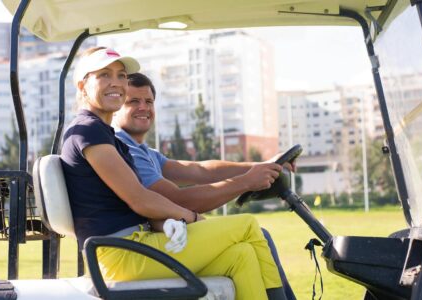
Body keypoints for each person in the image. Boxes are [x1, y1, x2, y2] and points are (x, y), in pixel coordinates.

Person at [61, 46, 286, 299]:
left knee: (241, 256)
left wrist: (170, 221)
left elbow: (194, 171)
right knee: (247, 225)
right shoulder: (87, 132)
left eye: (121, 75)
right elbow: (140, 199)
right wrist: (191, 218)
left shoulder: (111, 138)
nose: (116, 82)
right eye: (104, 75)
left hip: (136, 245)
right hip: (121, 254)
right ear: (82, 86)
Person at [114, 72, 295, 299]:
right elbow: (177, 200)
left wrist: (262, 165)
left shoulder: (146, 152)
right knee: (255, 232)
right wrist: (246, 182)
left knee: (249, 247)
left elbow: (199, 170)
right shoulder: (125, 149)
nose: (144, 107)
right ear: (117, 107)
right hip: (147, 248)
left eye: (149, 102)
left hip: (162, 238)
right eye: (133, 101)